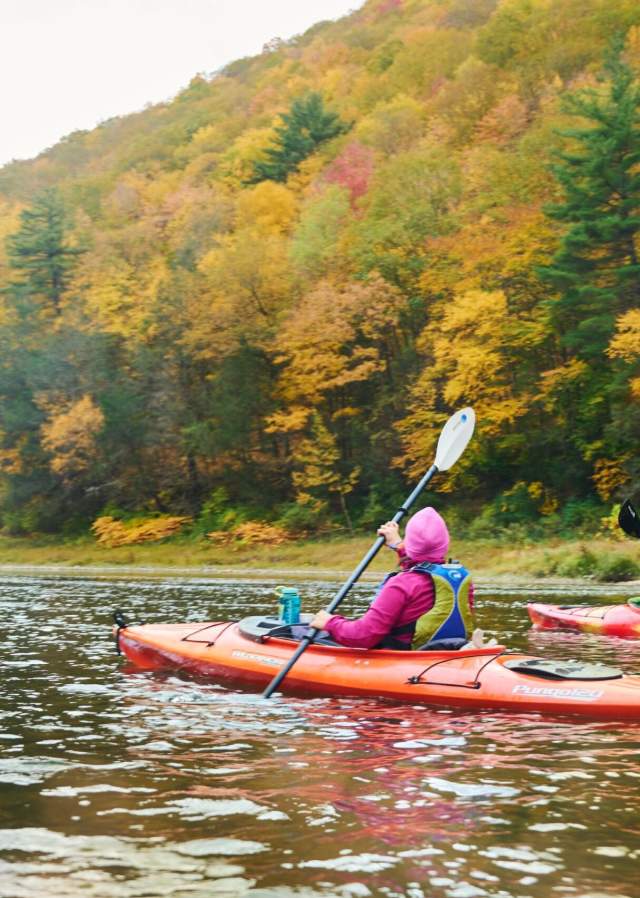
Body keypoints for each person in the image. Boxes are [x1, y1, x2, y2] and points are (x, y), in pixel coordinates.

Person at [309, 507, 475, 650]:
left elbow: (365, 636)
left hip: (402, 660)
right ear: (446, 543)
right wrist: (397, 544)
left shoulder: (401, 585)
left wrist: (331, 623)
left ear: (410, 543)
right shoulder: (461, 580)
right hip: (446, 655)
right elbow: (425, 568)